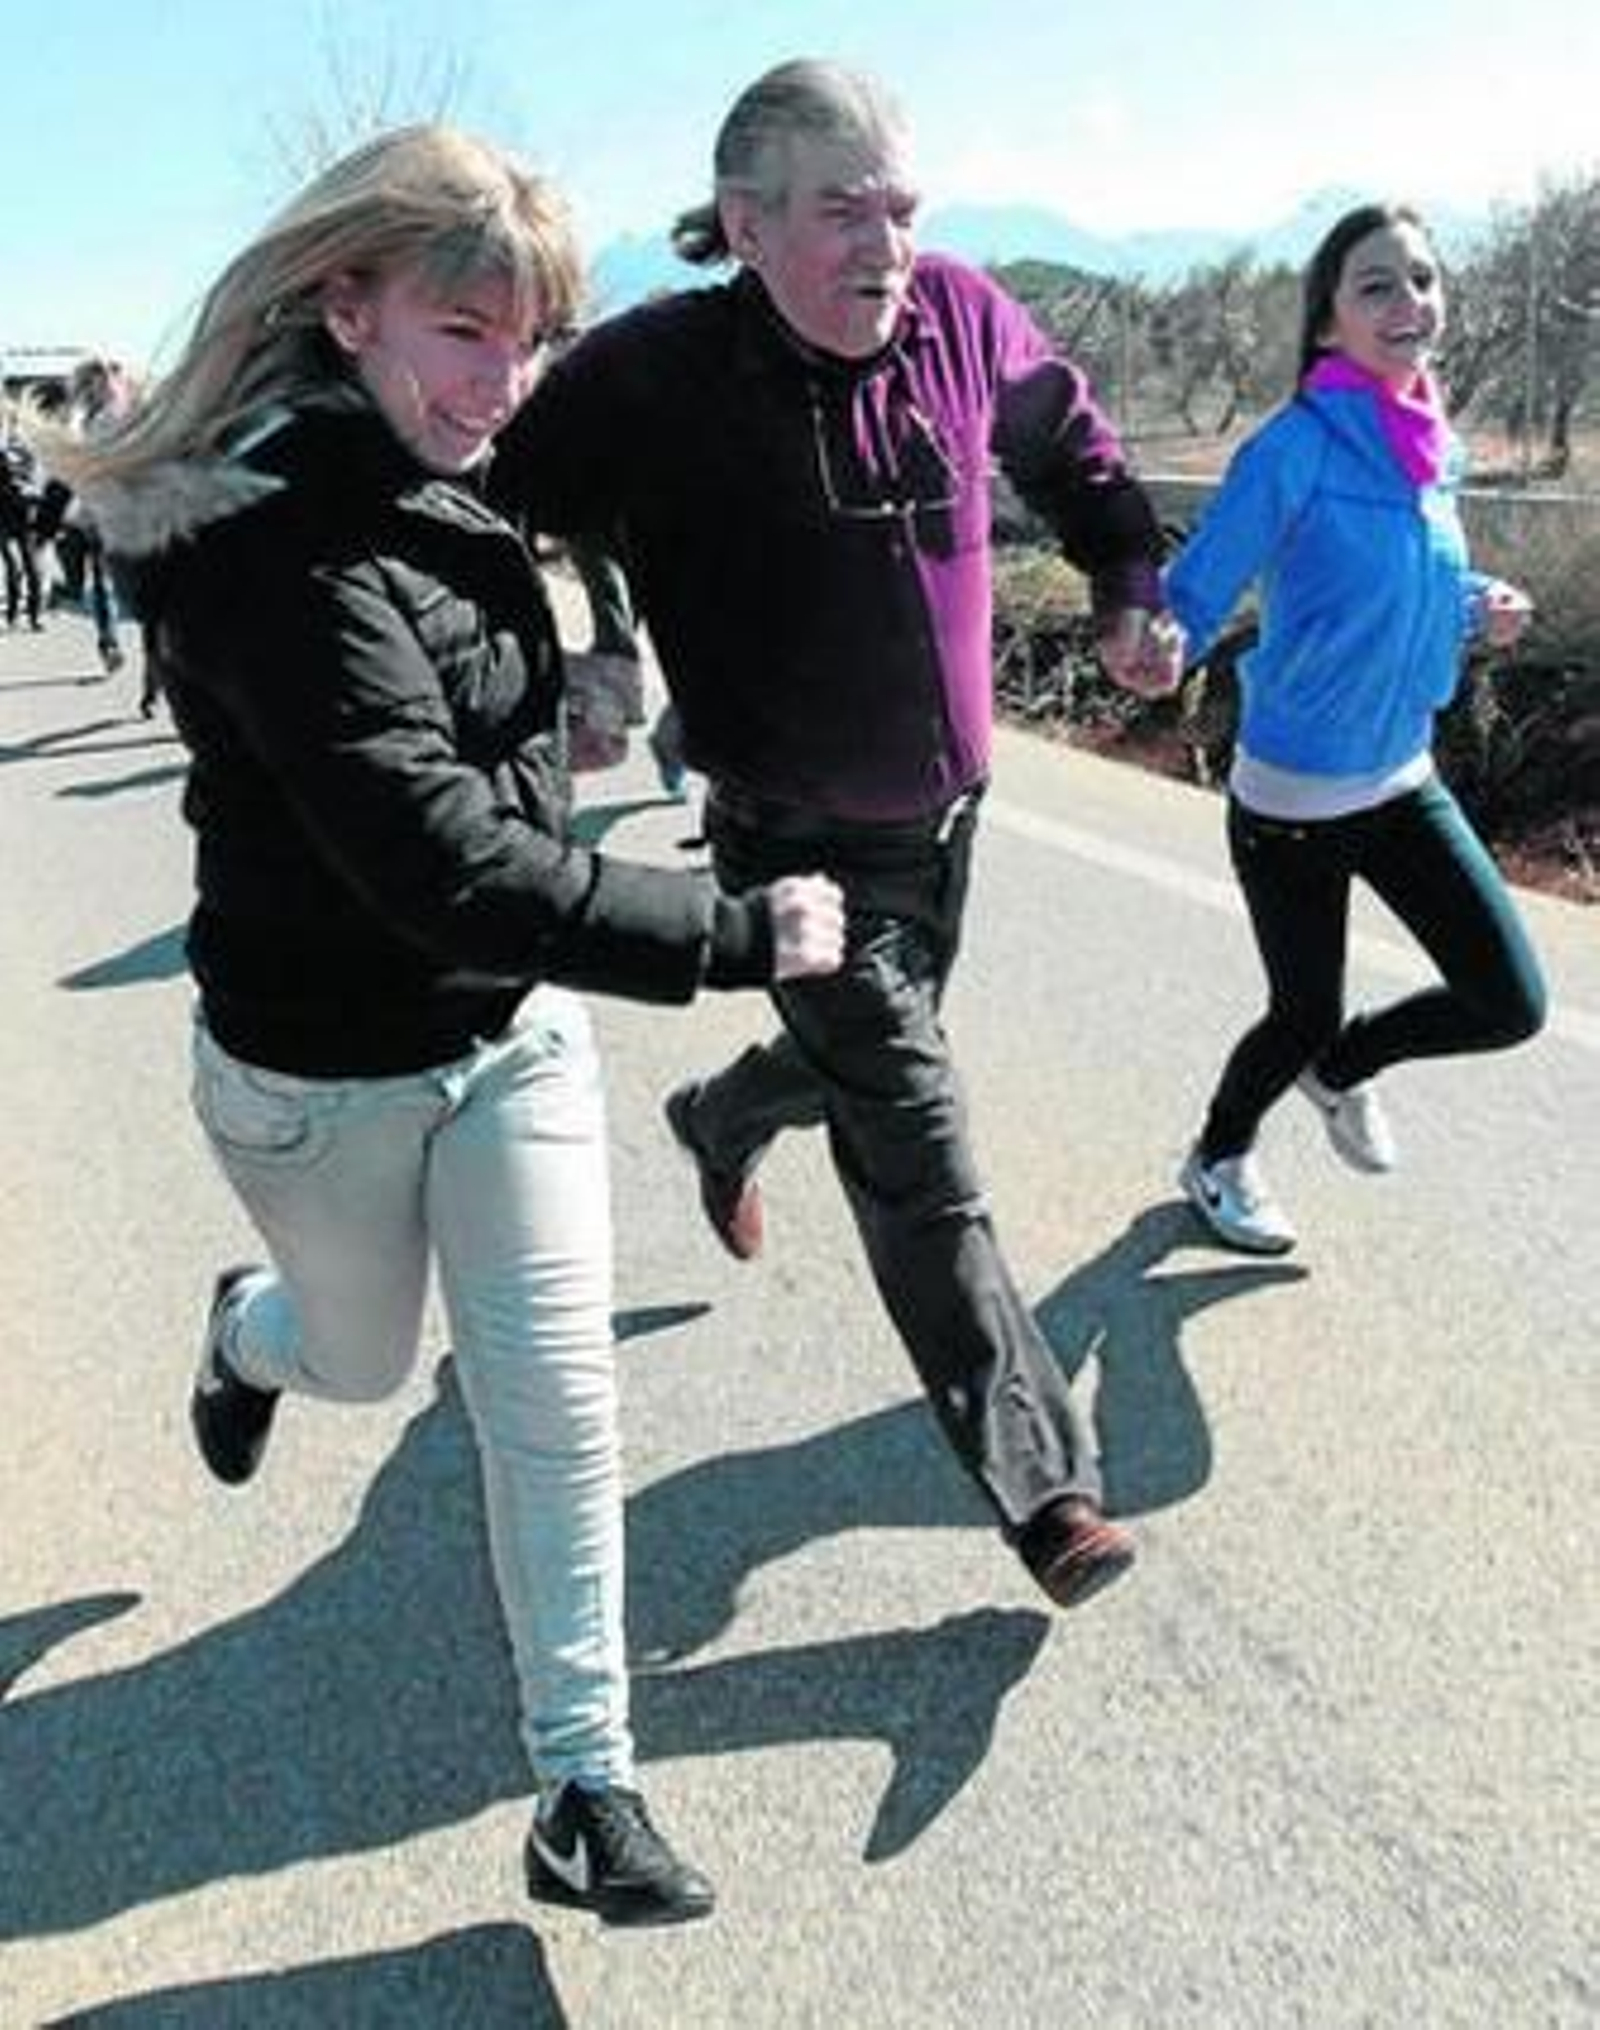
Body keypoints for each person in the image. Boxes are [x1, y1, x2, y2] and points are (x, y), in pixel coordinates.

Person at [41, 123, 844, 1927]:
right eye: (466, 332)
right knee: (359, 1361)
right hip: (315, 1077)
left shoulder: (431, 463)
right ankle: (247, 1334)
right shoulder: (269, 543)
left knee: (555, 1402)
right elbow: (435, 860)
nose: (504, 382)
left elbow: (457, 754)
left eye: (530, 339)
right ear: (348, 308)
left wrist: (564, 705)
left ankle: (586, 1785)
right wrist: (732, 933)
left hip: (508, 1035)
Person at [489, 58, 1183, 1612]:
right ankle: (1047, 1489)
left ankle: (726, 1111)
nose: (886, 246)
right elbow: (489, 512)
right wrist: (577, 651)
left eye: (902, 208)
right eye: (843, 212)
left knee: (874, 1059)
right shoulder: (653, 371)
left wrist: (1130, 588)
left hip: (946, 821)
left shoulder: (963, 316)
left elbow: (1076, 455)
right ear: (745, 224)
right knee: (917, 1138)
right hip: (788, 837)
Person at [1165, 202, 1547, 1255]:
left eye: (1422, 279)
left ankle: (1339, 1070)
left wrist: (1475, 601)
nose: (1409, 301)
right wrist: (1160, 640)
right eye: (1376, 285)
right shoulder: (1293, 448)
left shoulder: (1433, 447)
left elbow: (1404, 576)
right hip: (1293, 797)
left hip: (1400, 776)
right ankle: (1217, 1155)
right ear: (1329, 321)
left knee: (1508, 1001)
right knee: (1298, 1012)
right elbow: (1198, 587)